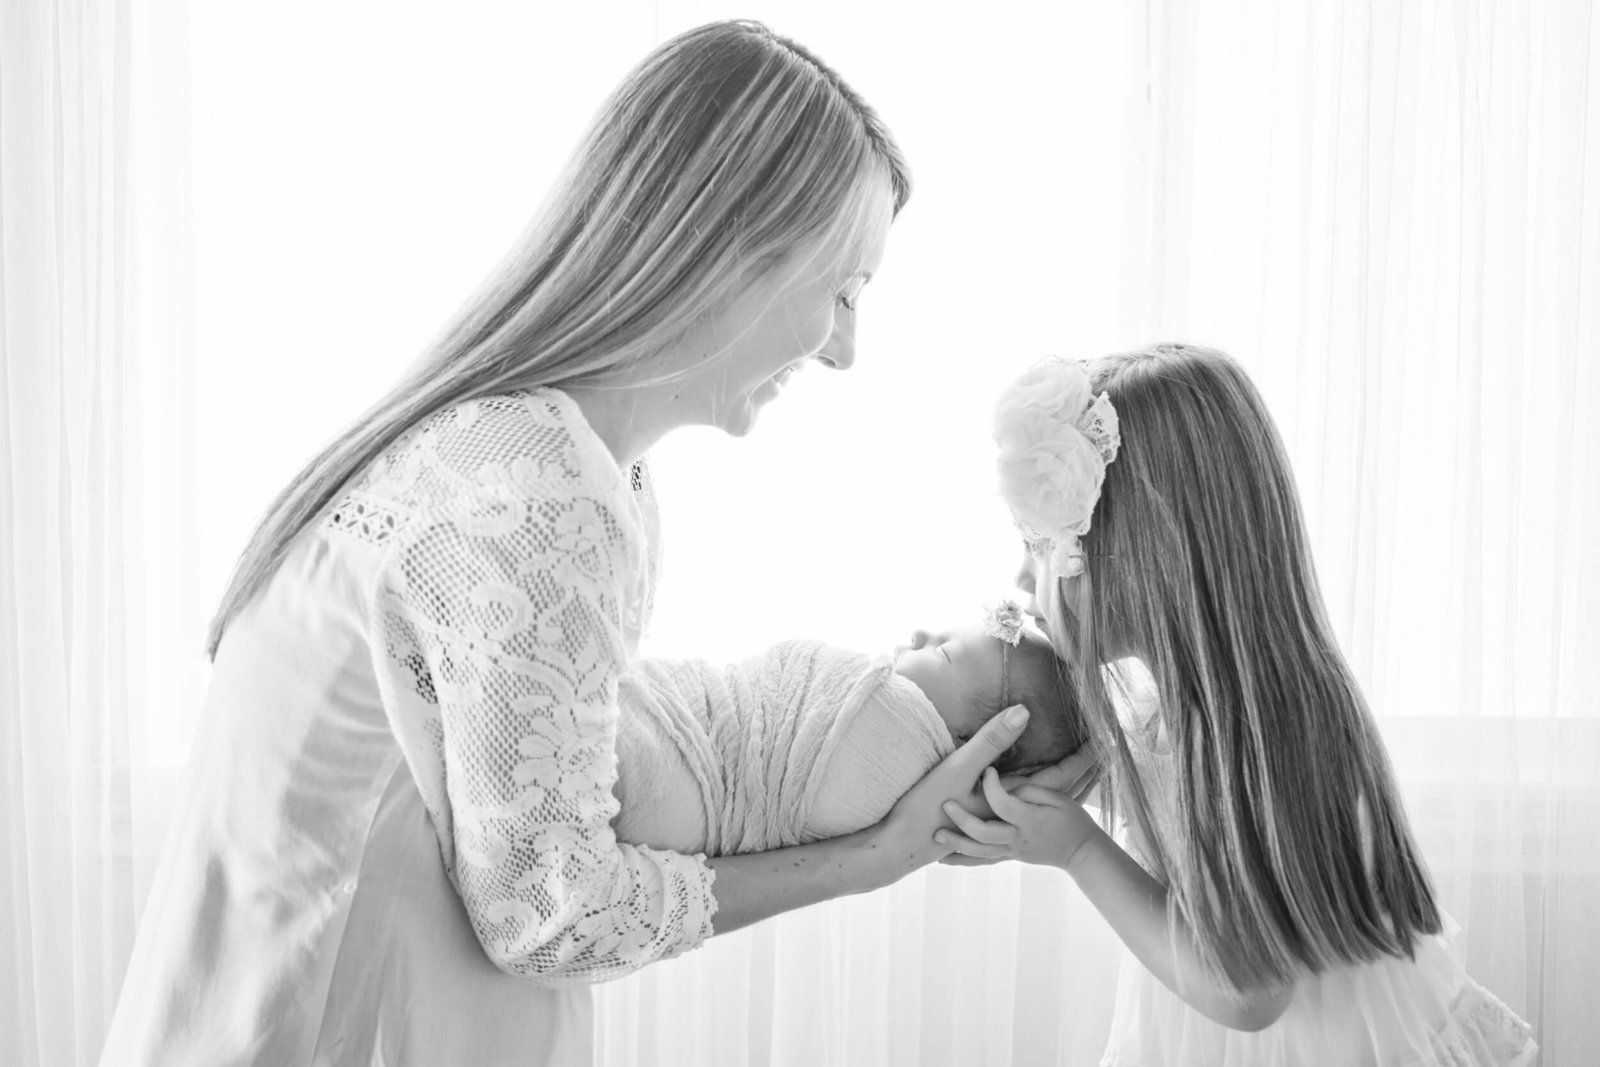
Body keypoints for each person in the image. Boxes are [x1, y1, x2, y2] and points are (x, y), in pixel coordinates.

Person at [99, 21, 1070, 1066]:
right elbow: (547, 914)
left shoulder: (555, 456)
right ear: (728, 251)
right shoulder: (536, 486)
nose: (843, 349)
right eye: (842, 290)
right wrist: (868, 856)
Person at [938, 345, 1539, 1065]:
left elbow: (1246, 995)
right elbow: (1151, 805)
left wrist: (1074, 846)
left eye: (1040, 545)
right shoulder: (1187, 708)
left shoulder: (1255, 738)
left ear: (1142, 558)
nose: (1022, 572)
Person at [612, 605, 1087, 855]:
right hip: (684, 711)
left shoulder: (890, 733)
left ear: (971, 746)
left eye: (945, 654)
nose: (921, 635)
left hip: (676, 773)